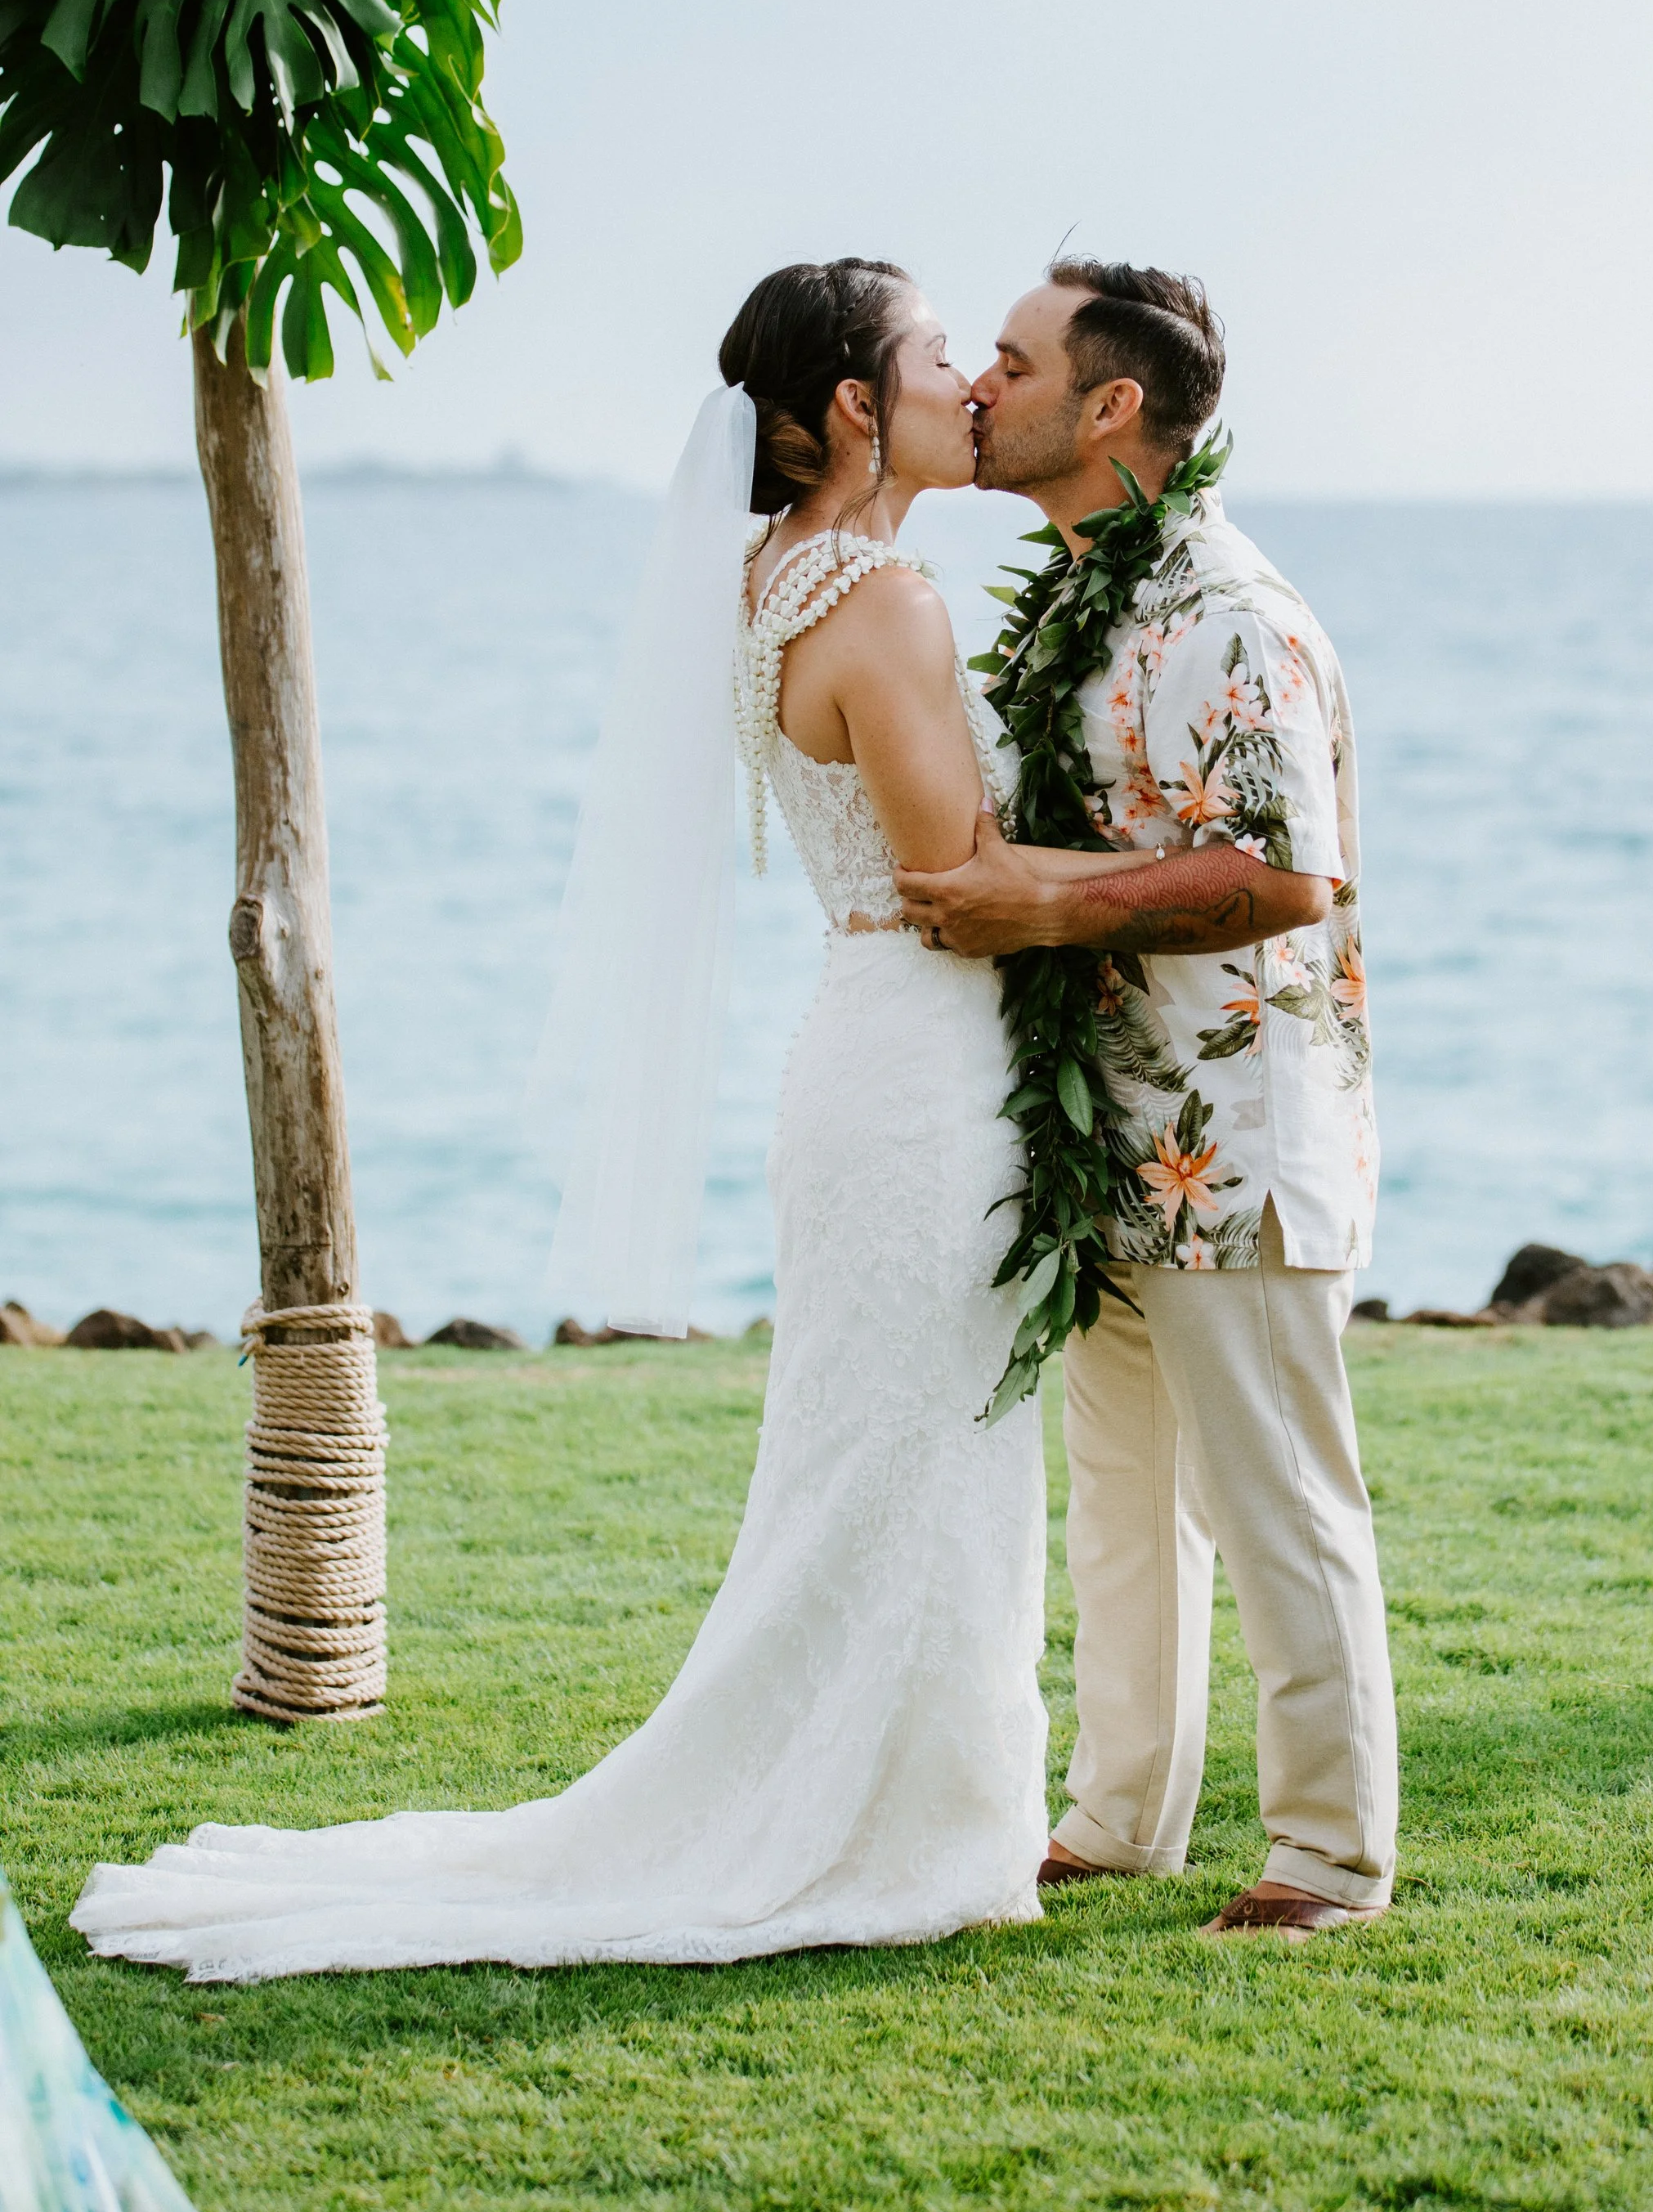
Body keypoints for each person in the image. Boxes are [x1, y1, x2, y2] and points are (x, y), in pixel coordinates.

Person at [72, 258, 1050, 1981]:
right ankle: (897, 1820)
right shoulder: (883, 601)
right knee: (905, 1462)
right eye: (932, 356)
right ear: (844, 408)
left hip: (858, 1049)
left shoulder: (770, 580)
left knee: (874, 1465)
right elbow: (952, 879)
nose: (967, 377)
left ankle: (910, 1796)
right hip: (919, 1070)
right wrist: (1209, 888)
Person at [895, 261, 1399, 1941]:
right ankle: (1118, 1820)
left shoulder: (1223, 616)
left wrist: (1036, 901)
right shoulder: (1087, 594)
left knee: (1276, 1506)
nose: (980, 380)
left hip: (1235, 1140)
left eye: (1016, 360)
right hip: (1109, 1128)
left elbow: (1278, 876)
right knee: (1119, 1504)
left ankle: (1327, 1863)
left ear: (1109, 408)